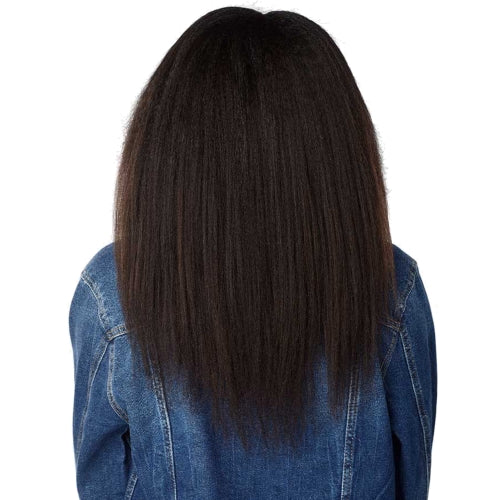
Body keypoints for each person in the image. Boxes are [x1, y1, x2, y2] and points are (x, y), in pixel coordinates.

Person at [69, 6, 437, 499]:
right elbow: (413, 478)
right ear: (339, 152)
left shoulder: (115, 292)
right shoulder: (391, 287)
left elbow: (101, 482)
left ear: (165, 149)